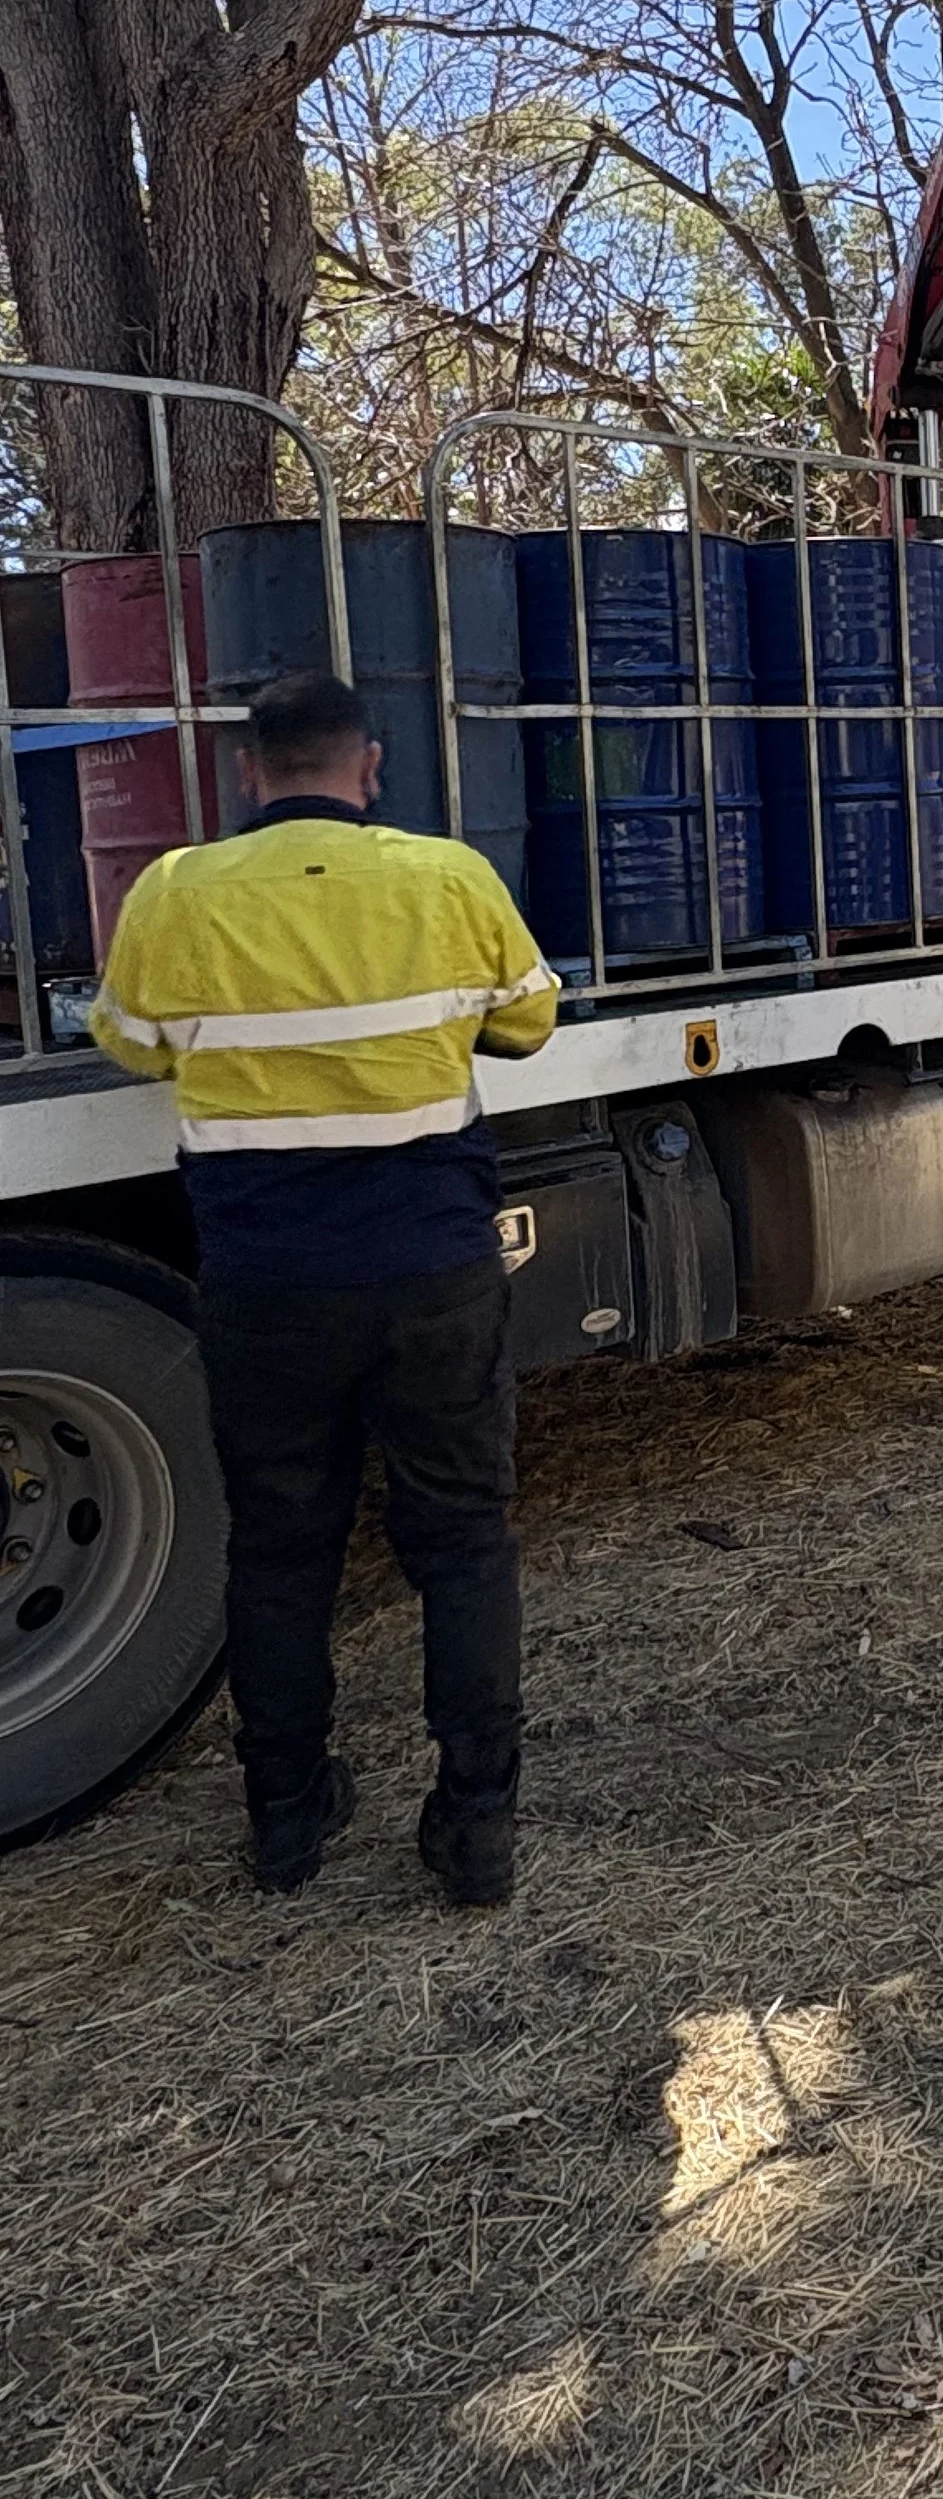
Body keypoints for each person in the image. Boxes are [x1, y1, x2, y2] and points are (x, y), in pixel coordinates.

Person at [91, 670, 559, 1904]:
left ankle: (287, 1822)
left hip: (267, 1284)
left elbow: (132, 1040)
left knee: (284, 1552)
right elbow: (527, 1027)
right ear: (372, 766)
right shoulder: (445, 877)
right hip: (432, 1271)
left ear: (249, 772)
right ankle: (476, 1830)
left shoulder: (176, 892)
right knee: (462, 1544)